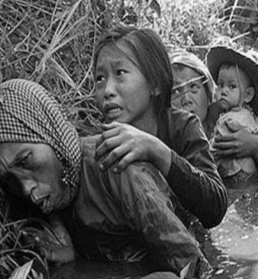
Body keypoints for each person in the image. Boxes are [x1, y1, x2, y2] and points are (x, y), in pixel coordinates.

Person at [0, 79, 209, 277]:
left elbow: (192, 269)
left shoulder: (118, 169)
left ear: (51, 133)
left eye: (25, 161)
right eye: (9, 179)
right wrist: (74, 255)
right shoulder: (47, 198)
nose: (25, 189)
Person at [92, 25, 228, 230]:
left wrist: (157, 151)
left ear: (155, 84)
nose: (107, 90)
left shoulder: (182, 127)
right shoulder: (100, 141)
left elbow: (215, 207)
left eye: (120, 73)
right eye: (100, 78)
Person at [170, 49, 258, 178]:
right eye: (176, 91)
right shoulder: (170, 135)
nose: (186, 99)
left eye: (193, 87)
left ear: (209, 93)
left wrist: (256, 146)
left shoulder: (232, 116)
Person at [206, 45, 258, 178]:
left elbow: (214, 150)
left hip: (232, 174)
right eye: (220, 85)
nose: (223, 91)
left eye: (232, 86)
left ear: (248, 95)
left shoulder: (226, 120)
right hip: (251, 173)